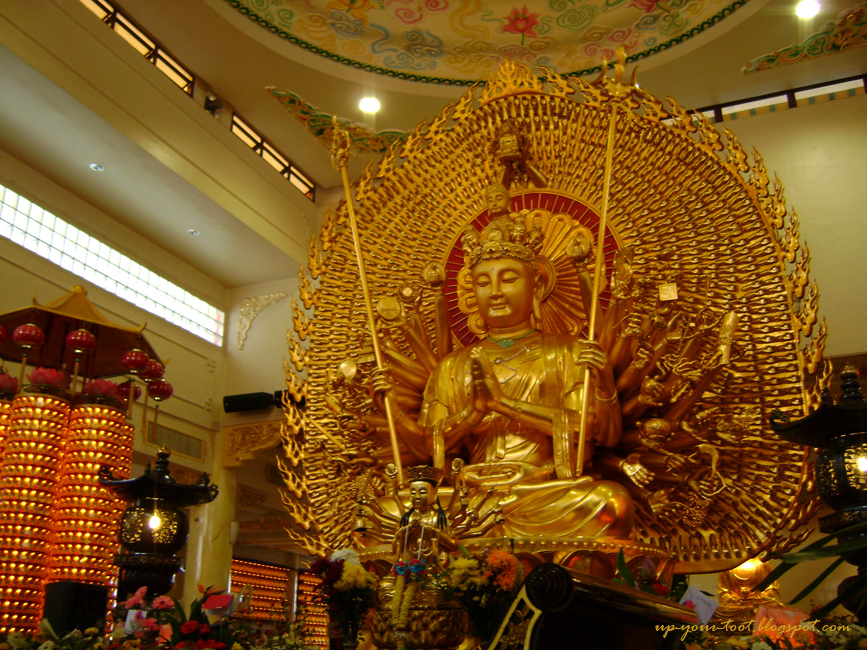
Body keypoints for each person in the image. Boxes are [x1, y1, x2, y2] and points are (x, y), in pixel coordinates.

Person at [418, 185, 635, 539]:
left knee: (609, 503)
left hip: (540, 490)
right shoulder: (452, 366)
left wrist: (505, 405)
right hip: (469, 494)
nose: (496, 292)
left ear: (536, 286)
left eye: (508, 279)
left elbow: (586, 433)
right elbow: (432, 445)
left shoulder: (569, 352)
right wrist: (471, 415)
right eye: (483, 283)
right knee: (398, 513)